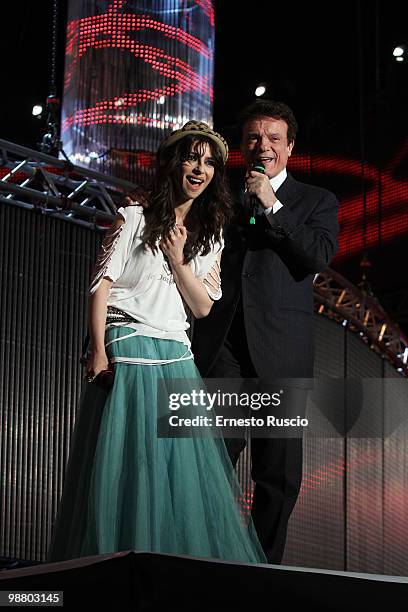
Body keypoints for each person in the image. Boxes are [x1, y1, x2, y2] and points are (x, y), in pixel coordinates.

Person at [47, 120, 266, 565]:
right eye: (192, 157)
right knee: (127, 465)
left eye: (208, 163)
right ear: (173, 162)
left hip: (176, 356)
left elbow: (203, 307)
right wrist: (98, 349)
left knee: (175, 474)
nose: (198, 169)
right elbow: (100, 286)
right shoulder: (134, 216)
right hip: (129, 347)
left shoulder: (211, 236)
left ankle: (169, 577)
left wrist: (178, 257)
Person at [192, 100, 339, 564]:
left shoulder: (316, 201)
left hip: (282, 352)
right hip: (228, 347)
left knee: (277, 477)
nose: (264, 147)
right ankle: (202, 555)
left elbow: (316, 255)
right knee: (209, 460)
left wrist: (272, 204)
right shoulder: (223, 198)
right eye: (255, 138)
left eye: (274, 139)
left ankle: (261, 570)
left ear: (290, 147)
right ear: (242, 146)